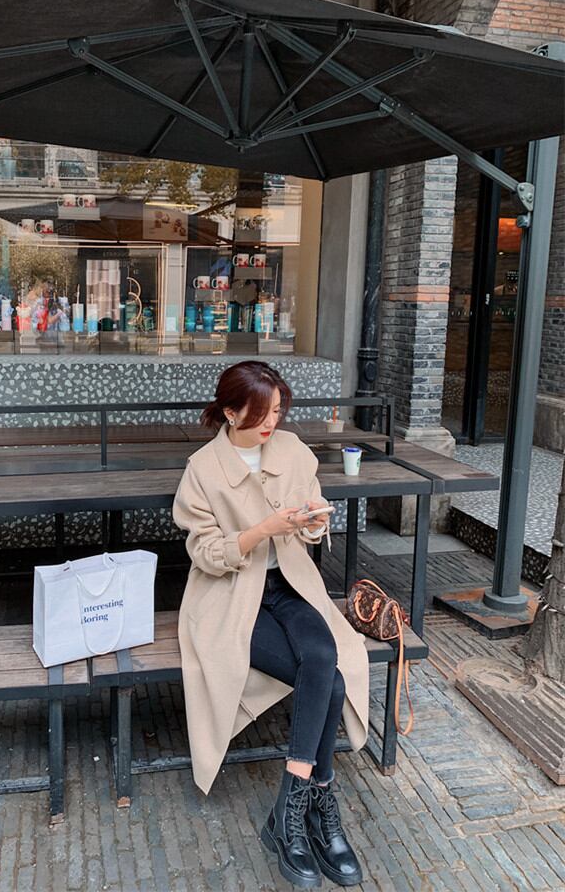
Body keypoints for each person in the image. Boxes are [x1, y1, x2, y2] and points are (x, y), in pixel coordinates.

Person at [173, 361, 369, 889]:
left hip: (291, 586)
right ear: (230, 411)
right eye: (260, 413)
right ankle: (318, 802)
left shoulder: (294, 451)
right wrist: (263, 528)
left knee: (323, 657)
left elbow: (308, 531)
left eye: (278, 411)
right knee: (328, 681)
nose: (270, 423)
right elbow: (205, 553)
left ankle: (291, 807)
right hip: (229, 595)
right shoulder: (202, 469)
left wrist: (314, 523)